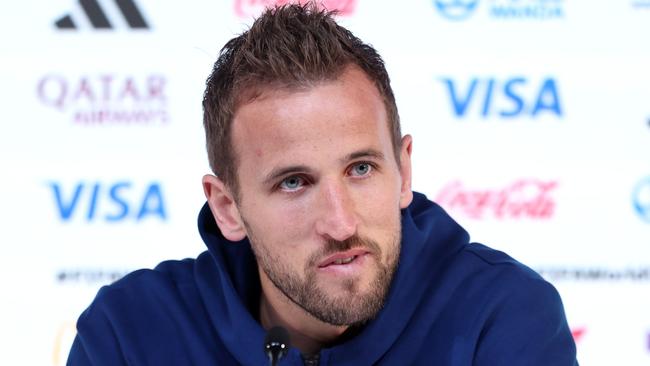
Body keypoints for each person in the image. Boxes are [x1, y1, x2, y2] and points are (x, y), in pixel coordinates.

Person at [67, 3, 578, 365]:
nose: (340, 223)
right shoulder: (129, 334)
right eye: (294, 183)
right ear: (228, 208)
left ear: (403, 172)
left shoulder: (503, 314)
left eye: (361, 169)